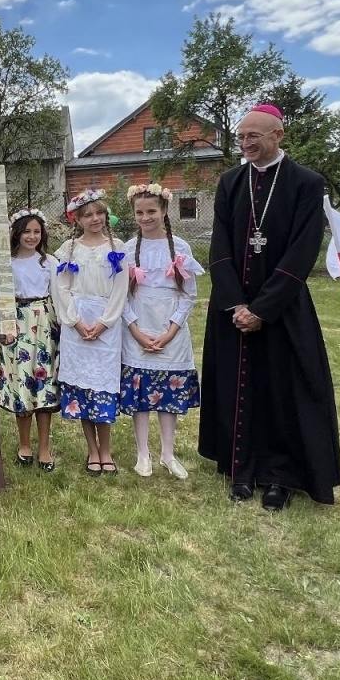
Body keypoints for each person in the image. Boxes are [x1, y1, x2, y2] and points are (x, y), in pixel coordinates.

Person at [197, 104, 340, 510]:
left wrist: (262, 309)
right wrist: (236, 304)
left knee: (283, 390)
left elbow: (303, 249)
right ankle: (240, 468)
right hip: (233, 308)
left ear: (278, 135)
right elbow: (219, 247)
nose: (245, 144)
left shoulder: (306, 183)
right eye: (241, 137)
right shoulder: (230, 181)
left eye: (253, 136)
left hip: (283, 306)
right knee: (236, 385)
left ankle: (281, 476)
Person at [120, 184, 202, 479]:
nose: (145, 217)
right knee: (141, 394)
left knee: (169, 392)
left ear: (164, 210)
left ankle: (168, 453)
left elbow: (188, 294)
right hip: (138, 327)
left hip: (170, 330)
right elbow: (120, 296)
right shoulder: (127, 249)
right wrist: (135, 331)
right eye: (139, 212)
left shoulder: (180, 247)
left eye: (151, 211)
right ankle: (143, 453)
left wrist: (170, 331)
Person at [53, 189, 129, 475]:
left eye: (100, 213)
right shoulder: (69, 249)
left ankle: (106, 449)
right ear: (78, 219)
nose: (95, 219)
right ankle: (92, 449)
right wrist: (74, 321)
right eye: (88, 215)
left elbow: (120, 288)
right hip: (77, 324)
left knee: (102, 386)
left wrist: (105, 322)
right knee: (84, 387)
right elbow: (61, 287)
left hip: (106, 324)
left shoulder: (116, 246)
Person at [0, 208, 59, 472]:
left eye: (36, 231)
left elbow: (58, 294)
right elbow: (1, 297)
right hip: (17, 323)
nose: (32, 236)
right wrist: (5, 326)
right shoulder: (7, 263)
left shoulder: (49, 262)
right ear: (17, 234)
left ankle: (44, 447)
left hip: (43, 322)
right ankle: (24, 444)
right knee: (22, 382)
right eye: (26, 232)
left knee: (44, 384)